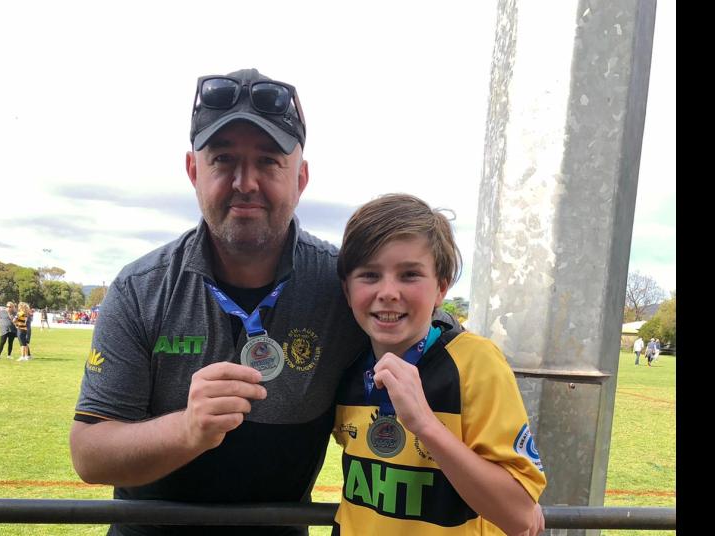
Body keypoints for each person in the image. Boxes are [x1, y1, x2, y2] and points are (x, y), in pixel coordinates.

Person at [69, 68, 368, 536]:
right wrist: (187, 429)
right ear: (193, 171)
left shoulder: (344, 288)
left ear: (301, 178)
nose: (245, 182)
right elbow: (90, 455)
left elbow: (430, 351)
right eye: (223, 159)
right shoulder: (140, 288)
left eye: (269, 161)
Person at [333, 194, 546, 536]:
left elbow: (518, 514)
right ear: (346, 290)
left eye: (409, 275)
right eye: (370, 275)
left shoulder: (476, 362)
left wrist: (426, 425)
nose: (388, 292)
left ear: (441, 288)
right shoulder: (345, 362)